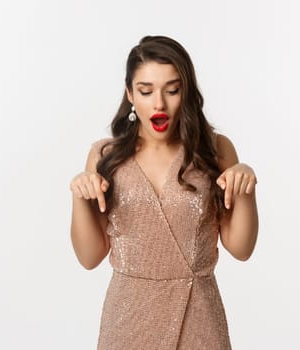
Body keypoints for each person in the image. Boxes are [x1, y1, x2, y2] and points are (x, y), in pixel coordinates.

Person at [69, 35, 258, 349]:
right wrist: (78, 196)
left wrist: (247, 189)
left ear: (186, 92)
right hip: (127, 321)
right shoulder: (106, 157)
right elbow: (89, 257)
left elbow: (241, 248)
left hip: (199, 318)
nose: (159, 103)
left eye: (172, 90)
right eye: (146, 91)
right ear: (130, 94)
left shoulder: (215, 150)